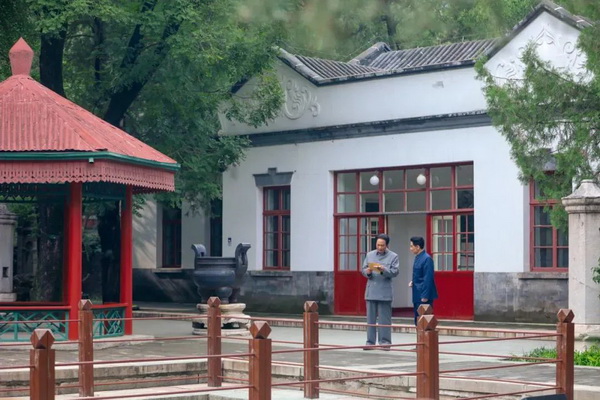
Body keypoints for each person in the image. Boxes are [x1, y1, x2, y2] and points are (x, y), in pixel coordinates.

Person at [361, 233, 399, 350]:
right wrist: (367, 272)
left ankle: (385, 342)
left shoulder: (393, 256)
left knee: (384, 319)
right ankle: (370, 342)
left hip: (384, 291)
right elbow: (363, 269)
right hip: (371, 290)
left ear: (386, 245)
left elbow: (395, 272)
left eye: (382, 245)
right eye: (378, 245)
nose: (380, 247)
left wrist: (383, 270)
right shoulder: (370, 255)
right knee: (370, 319)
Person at [408, 236, 438, 325]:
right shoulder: (418, 257)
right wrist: (413, 281)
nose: (410, 249)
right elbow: (419, 274)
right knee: (418, 320)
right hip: (417, 293)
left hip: (423, 295)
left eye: (411, 246)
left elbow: (428, 278)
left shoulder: (427, 259)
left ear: (417, 247)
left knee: (424, 321)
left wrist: (425, 295)